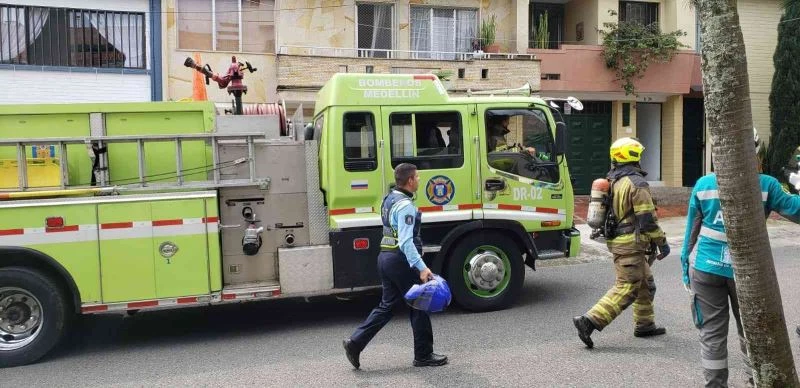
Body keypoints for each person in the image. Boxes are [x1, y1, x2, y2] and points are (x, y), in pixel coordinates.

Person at [680, 128, 800, 388]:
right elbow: (796, 211)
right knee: (751, 332)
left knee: (712, 334)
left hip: (705, 269)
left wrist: (685, 269)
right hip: (747, 273)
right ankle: (754, 380)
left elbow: (690, 235)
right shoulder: (766, 185)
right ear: (754, 150)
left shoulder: (703, 184)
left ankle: (715, 385)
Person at [343, 163, 448, 369]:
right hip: (401, 260)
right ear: (410, 180)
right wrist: (422, 267)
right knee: (420, 304)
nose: (419, 180)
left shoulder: (389, 199)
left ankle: (355, 343)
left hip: (385, 257)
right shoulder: (405, 205)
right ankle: (424, 355)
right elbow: (406, 242)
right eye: (417, 177)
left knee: (387, 306)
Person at [573, 137, 670, 348]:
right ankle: (589, 321)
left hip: (622, 241)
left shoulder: (614, 180)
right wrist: (662, 242)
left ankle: (645, 325)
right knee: (627, 287)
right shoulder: (636, 183)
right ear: (634, 156)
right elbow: (647, 219)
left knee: (646, 284)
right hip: (630, 244)